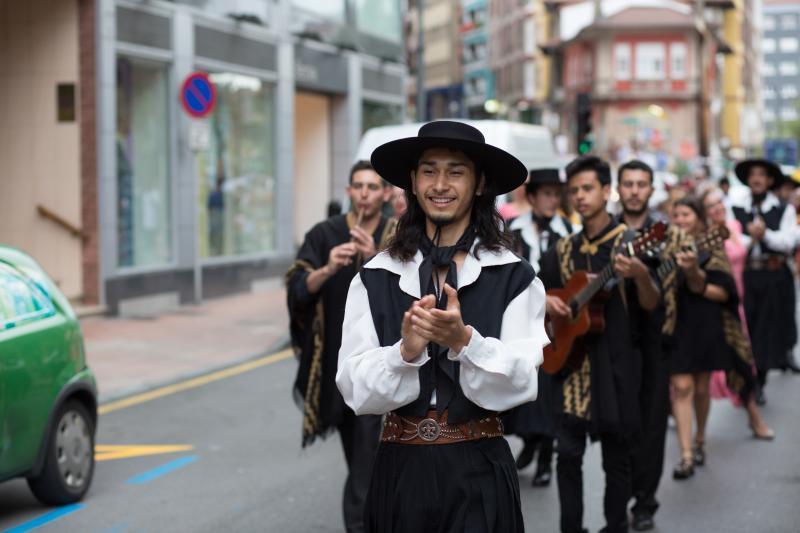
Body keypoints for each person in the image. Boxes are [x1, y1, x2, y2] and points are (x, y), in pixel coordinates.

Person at [336, 121, 548, 533]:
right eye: (429, 170)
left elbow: (523, 380)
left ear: (481, 183)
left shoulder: (514, 276)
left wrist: (465, 342)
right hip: (400, 468)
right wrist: (404, 352)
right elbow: (353, 389)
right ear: (412, 182)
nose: (441, 184)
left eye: (456, 171)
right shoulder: (376, 276)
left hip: (480, 466)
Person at [539, 155, 660, 533]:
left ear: (607, 192)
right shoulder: (562, 249)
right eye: (573, 190)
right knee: (567, 457)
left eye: (587, 188)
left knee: (616, 459)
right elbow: (533, 289)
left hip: (616, 364)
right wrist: (544, 300)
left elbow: (652, 302)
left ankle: (614, 526)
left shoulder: (631, 242)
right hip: (571, 366)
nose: (579, 196)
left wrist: (640, 274)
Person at [286, 160, 395, 533]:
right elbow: (298, 289)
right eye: (358, 186)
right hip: (337, 364)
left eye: (373, 187)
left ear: (384, 194)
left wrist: (374, 256)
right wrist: (328, 268)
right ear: (349, 192)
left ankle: (363, 523)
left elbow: (406, 291)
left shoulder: (395, 233)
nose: (365, 194)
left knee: (369, 460)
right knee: (359, 455)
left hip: (384, 362)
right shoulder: (323, 234)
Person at [667, 197, 773, 482]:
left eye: (686, 214)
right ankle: (686, 454)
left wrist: (695, 276)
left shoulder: (711, 244)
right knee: (681, 385)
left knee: (701, 387)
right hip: (675, 324)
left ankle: (700, 439)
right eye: (676, 215)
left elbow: (725, 292)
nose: (681, 220)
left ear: (699, 218)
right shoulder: (663, 244)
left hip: (705, 323)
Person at [504, 167, 574, 488]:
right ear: (531, 197)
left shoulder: (569, 232)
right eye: (546, 193)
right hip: (517, 321)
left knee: (549, 389)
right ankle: (531, 441)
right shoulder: (510, 230)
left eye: (556, 194)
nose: (552, 200)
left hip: (556, 325)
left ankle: (546, 454)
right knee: (521, 384)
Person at [613, 160, 670, 532]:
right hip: (610, 338)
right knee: (617, 424)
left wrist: (643, 276)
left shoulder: (665, 234)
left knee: (650, 424)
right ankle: (617, 501)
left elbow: (659, 297)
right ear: (618, 188)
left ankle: (645, 502)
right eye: (628, 183)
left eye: (642, 184)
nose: (635, 190)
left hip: (651, 340)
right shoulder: (605, 231)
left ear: (651, 190)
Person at [700, 189, 774, 437]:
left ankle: (754, 420)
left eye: (719, 202)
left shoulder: (733, 225)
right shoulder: (703, 238)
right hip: (715, 306)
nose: (717, 208)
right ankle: (692, 429)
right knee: (699, 369)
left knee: (742, 362)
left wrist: (755, 238)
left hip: (737, 303)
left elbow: (741, 252)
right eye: (710, 206)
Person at [730, 159, 799, 404]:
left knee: (768, 330)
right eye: (752, 174)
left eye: (762, 175)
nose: (757, 179)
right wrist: (751, 238)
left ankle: (759, 381)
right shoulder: (736, 208)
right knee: (747, 328)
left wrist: (765, 235)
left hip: (773, 276)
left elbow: (789, 241)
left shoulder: (783, 209)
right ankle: (748, 378)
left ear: (770, 180)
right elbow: (733, 240)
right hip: (747, 276)